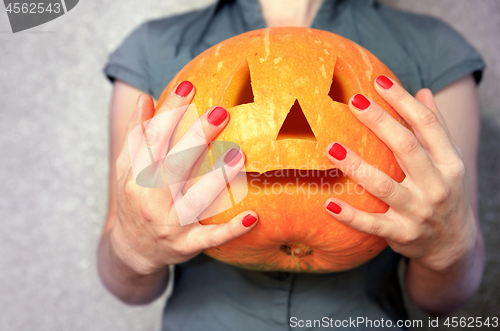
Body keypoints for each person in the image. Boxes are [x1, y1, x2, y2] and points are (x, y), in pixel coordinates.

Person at [98, 0, 485, 329]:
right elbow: (129, 287)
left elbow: (442, 301)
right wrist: (134, 250)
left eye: (338, 90)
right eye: (244, 93)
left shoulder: (434, 49)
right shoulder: (152, 47)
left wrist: (446, 247)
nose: (291, 130)